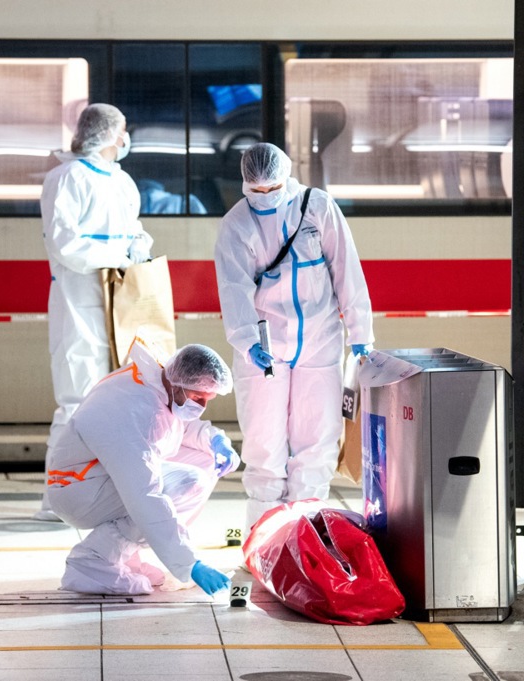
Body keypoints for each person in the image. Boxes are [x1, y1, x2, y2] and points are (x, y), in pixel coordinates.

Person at [213, 142, 375, 535]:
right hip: (263, 349)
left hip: (319, 342)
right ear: (245, 184)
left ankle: (308, 536)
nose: (265, 196)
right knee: (264, 446)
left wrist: (361, 334)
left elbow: (346, 272)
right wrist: (247, 341)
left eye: (272, 188)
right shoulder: (236, 225)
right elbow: (233, 290)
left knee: (317, 441)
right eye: (257, 190)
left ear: (286, 178)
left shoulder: (316, 208)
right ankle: (264, 539)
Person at [47, 340, 239, 595]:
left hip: (96, 476)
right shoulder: (135, 409)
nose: (202, 406)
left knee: (207, 458)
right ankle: (92, 561)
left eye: (208, 399)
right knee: (187, 483)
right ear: (180, 384)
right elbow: (144, 494)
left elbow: (178, 426)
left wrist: (216, 440)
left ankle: (125, 556)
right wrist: (189, 564)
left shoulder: (159, 383)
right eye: (198, 398)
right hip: (76, 489)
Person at [36, 103, 152, 520]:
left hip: (117, 307)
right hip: (78, 307)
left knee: (117, 403)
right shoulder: (65, 179)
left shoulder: (121, 182)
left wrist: (138, 245)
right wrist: (118, 251)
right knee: (77, 402)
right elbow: (65, 246)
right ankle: (56, 499)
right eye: (122, 131)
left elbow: (133, 230)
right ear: (106, 134)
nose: (125, 140)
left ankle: (98, 495)